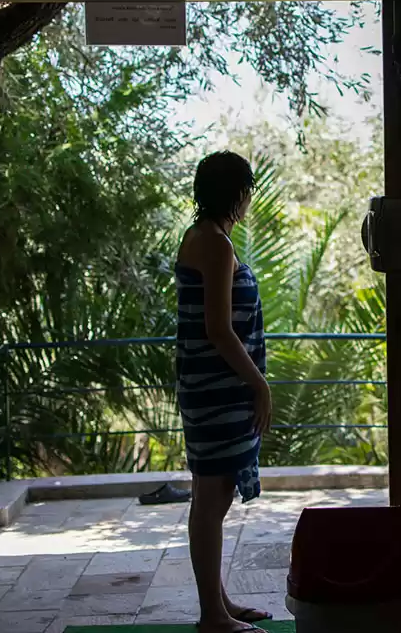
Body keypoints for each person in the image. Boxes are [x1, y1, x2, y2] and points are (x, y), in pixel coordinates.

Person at [175, 151, 272, 633]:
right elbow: (218, 328)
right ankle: (213, 615)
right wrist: (260, 385)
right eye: (246, 189)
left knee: (212, 496)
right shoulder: (214, 244)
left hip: (213, 386)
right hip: (218, 388)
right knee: (212, 497)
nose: (249, 198)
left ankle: (218, 602)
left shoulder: (207, 237)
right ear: (235, 193)